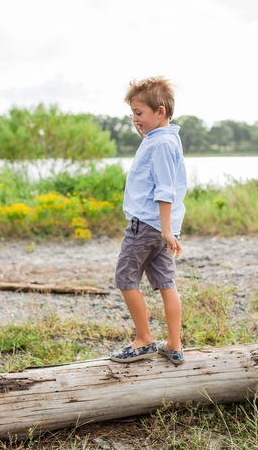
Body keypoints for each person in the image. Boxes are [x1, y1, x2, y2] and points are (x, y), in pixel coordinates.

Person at [110, 76, 188, 365]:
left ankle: (144, 340)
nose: (134, 119)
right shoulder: (163, 139)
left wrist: (166, 230)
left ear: (160, 112)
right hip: (160, 228)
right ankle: (174, 344)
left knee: (126, 279)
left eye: (139, 113)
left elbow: (164, 190)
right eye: (132, 113)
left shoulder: (161, 145)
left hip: (147, 226)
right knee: (166, 284)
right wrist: (167, 230)